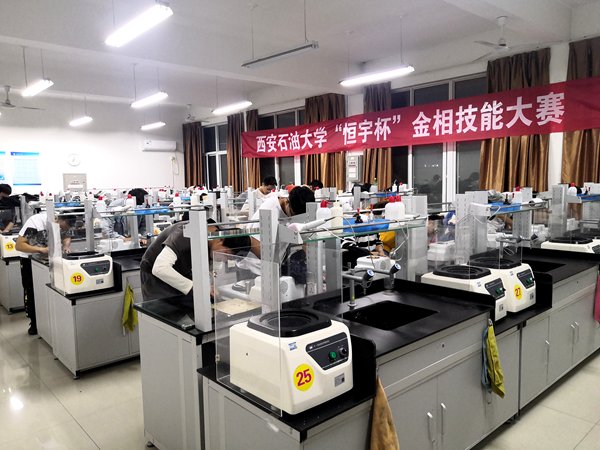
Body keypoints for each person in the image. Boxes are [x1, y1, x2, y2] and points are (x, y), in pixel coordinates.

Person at [139, 220, 251, 301]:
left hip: (182, 271)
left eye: (229, 259)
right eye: (226, 254)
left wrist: (208, 286)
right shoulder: (185, 234)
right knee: (162, 313)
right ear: (220, 240)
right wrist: (197, 287)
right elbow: (160, 268)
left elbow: (209, 266)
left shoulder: (216, 235)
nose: (224, 260)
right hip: (154, 275)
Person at [16, 212, 76, 335]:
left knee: (55, 289)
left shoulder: (65, 222)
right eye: (60, 228)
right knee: (32, 290)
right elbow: (19, 245)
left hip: (52, 259)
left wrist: (65, 246)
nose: (61, 231)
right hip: (30, 259)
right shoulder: (35, 223)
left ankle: (53, 321)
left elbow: (67, 236)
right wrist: (42, 250)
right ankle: (34, 323)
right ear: (56, 218)